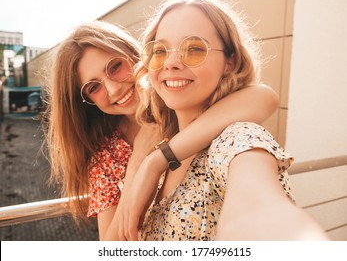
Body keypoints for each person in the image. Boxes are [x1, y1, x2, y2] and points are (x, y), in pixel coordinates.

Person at [118, 0, 329, 241]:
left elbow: (261, 212)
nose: (171, 63)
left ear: (229, 62)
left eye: (194, 49)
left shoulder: (236, 139)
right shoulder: (165, 138)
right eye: (160, 51)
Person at [44, 20, 279, 240]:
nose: (114, 89)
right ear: (86, 101)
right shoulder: (107, 156)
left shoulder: (178, 99)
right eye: (94, 87)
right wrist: (136, 164)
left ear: (136, 55)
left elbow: (264, 97)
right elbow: (112, 246)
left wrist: (157, 159)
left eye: (115, 67)